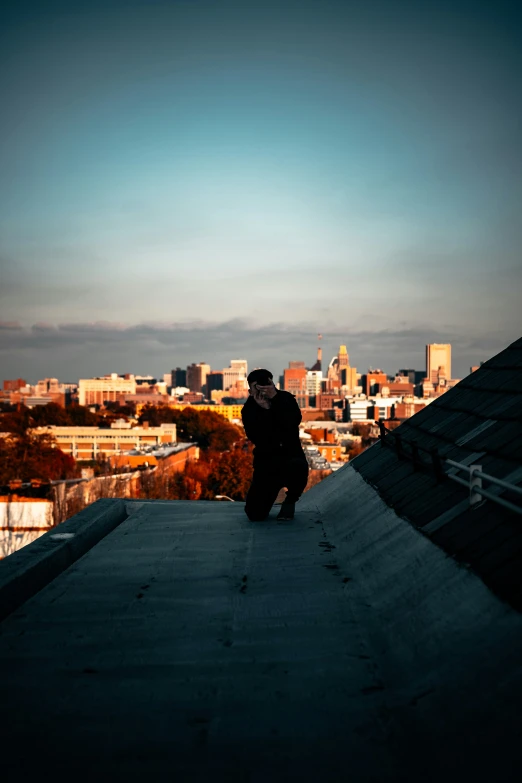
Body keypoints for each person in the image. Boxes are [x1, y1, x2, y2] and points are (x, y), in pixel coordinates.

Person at [241, 368, 309, 521]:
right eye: (256, 387)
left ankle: (290, 500)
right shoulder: (249, 409)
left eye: (266, 384)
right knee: (254, 514)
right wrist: (264, 409)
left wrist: (274, 401)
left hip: (290, 460)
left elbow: (292, 423)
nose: (262, 389)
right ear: (250, 391)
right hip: (267, 465)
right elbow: (257, 438)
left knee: (299, 466)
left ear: (272, 384)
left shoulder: (285, 399)